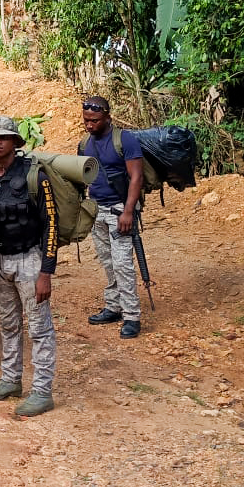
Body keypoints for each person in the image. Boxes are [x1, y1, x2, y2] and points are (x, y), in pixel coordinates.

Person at [0, 115, 60, 417]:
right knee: (8, 325)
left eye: (3, 137)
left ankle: (42, 391)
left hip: (30, 260)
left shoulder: (35, 175)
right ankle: (10, 379)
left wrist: (46, 272)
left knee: (39, 329)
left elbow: (51, 225)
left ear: (14, 142)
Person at [77, 96, 145, 339]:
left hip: (119, 209)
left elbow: (136, 177)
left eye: (94, 120)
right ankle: (114, 306)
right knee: (108, 262)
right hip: (97, 209)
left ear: (107, 117)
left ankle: (131, 315)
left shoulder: (124, 139)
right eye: (86, 120)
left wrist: (128, 211)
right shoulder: (85, 142)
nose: (89, 125)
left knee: (123, 263)